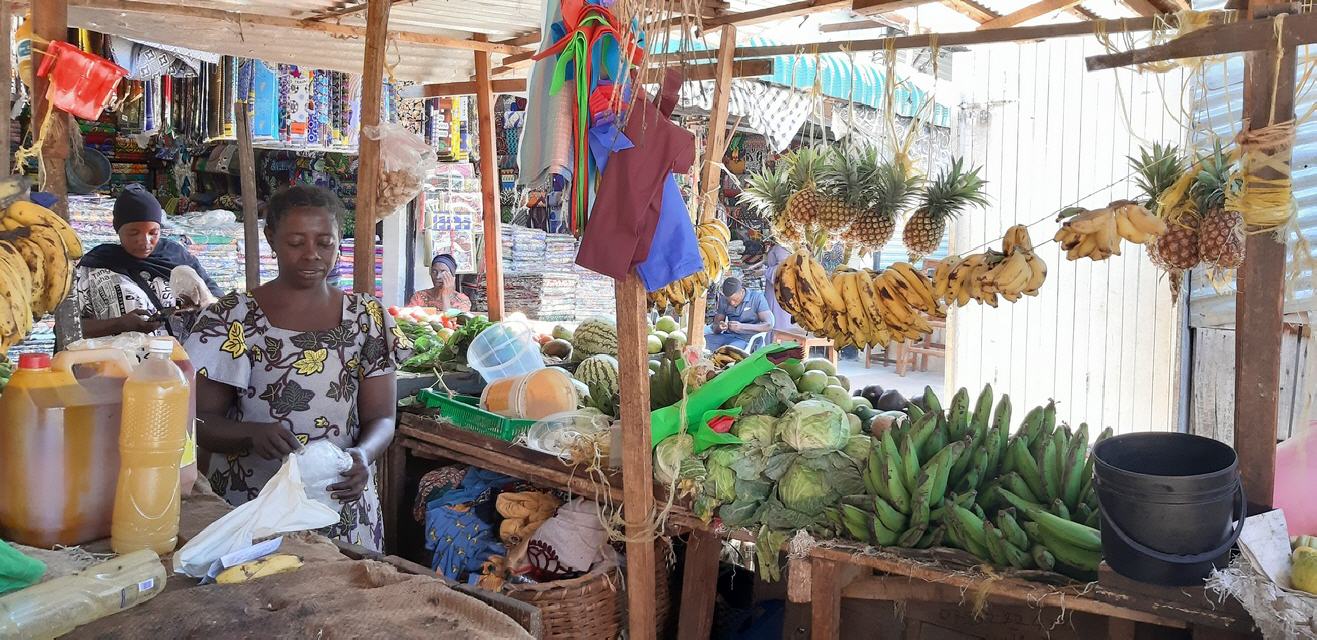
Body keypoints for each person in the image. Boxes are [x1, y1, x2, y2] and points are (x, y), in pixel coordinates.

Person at [186, 186, 412, 551]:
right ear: (271, 239)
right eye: (296, 242)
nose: (312, 255)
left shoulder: (366, 317)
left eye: (325, 243)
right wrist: (251, 434)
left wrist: (363, 455)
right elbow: (198, 421)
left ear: (340, 241)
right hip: (254, 505)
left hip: (340, 503)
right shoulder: (231, 318)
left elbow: (382, 418)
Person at [76, 183, 223, 339]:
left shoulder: (177, 257)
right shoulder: (95, 265)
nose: (145, 241)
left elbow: (219, 304)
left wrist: (200, 304)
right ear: (117, 228)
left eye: (153, 233)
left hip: (183, 358)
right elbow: (67, 327)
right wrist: (118, 324)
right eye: (133, 233)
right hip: (121, 361)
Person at [705, 277, 773, 350]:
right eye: (729, 300)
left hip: (747, 339)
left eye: (735, 300)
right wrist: (720, 327)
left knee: (729, 351)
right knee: (701, 343)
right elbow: (715, 327)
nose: (732, 303)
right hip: (728, 336)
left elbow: (769, 325)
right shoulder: (723, 299)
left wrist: (741, 327)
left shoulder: (757, 298)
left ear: (741, 291)